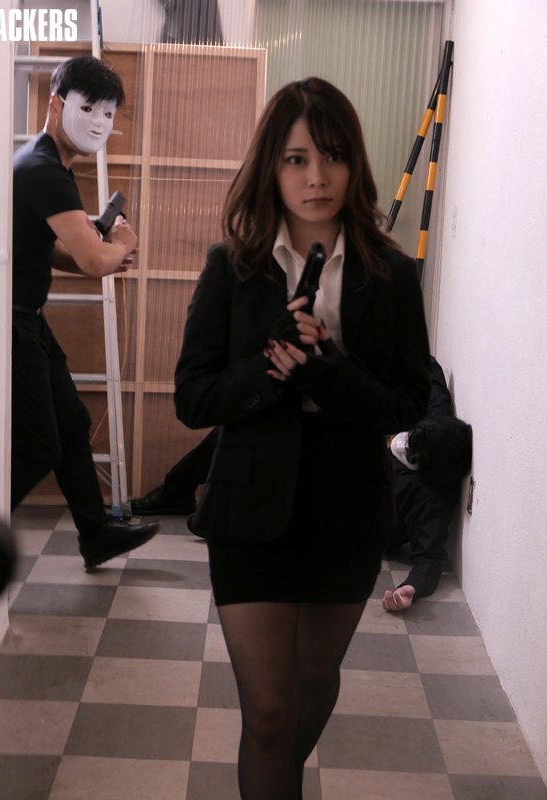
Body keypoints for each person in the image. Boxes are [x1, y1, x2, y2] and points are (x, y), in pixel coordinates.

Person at [173, 77, 431, 800]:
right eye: (295, 159)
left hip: (347, 511)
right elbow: (193, 398)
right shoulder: (233, 266)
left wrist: (328, 375)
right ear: (271, 166)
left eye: (332, 156)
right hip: (249, 512)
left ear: (354, 164)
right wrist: (268, 367)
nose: (316, 176)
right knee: (269, 709)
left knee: (315, 681)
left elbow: (410, 402)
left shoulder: (393, 273)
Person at [11, 55, 159, 568]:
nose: (99, 122)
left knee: (72, 423)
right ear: (56, 104)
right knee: (38, 448)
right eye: (89, 108)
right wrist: (120, 245)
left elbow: (48, 252)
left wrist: (100, 250)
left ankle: (95, 534)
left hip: (27, 318)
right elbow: (95, 263)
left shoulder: (43, 161)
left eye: (109, 113)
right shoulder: (45, 170)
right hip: (13, 324)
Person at [382, 358, 473, 611]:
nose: (405, 443)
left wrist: (410, 588)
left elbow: (429, 560)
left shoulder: (431, 501)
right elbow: (428, 367)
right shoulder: (438, 425)